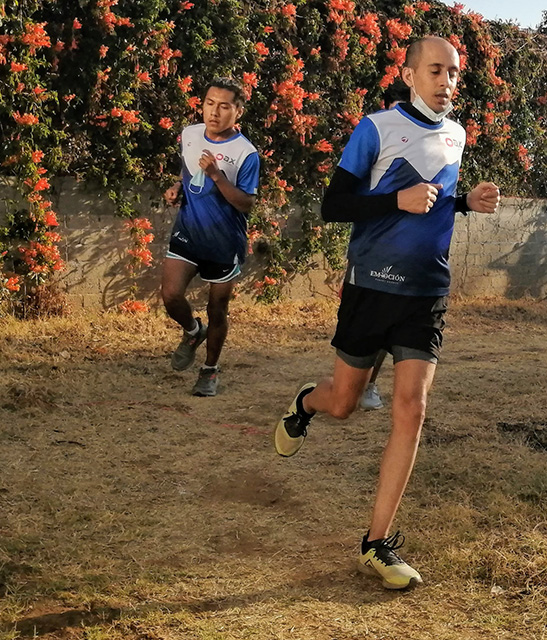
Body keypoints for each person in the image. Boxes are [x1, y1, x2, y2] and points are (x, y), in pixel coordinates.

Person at [274, 36, 501, 589]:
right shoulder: (375, 128)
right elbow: (335, 205)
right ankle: (307, 403)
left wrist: (463, 201)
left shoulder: (458, 135)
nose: (447, 82)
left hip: (427, 292)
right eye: (435, 71)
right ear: (408, 74)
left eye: (453, 74)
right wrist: (394, 201)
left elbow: (435, 197)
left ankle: (376, 544)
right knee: (345, 404)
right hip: (370, 287)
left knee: (412, 408)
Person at [161, 78, 259, 397]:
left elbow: (246, 203)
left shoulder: (246, 153)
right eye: (209, 103)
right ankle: (192, 331)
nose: (214, 112)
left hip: (223, 242)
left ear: (238, 111)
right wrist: (177, 189)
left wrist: (216, 175)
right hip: (189, 231)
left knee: (218, 309)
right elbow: (187, 172)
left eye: (224, 106)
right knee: (171, 295)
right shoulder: (190, 134)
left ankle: (210, 370)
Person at [358, 84, 412, 412]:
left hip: (414, 255)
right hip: (375, 250)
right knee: (374, 324)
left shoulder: (435, 149)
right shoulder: (373, 144)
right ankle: (363, 383)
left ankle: (371, 384)